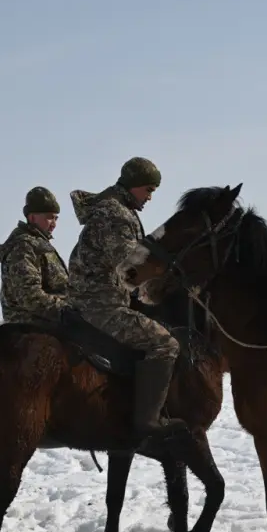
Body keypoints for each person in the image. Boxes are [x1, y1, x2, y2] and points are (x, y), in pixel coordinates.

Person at [66, 157, 189, 444]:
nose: (150, 196)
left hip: (98, 299)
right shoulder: (115, 214)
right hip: (99, 306)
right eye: (148, 189)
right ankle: (148, 420)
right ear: (133, 185)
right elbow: (130, 265)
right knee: (164, 343)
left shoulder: (117, 210)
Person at [0, 186, 69, 328]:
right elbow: (29, 295)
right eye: (49, 218)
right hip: (32, 327)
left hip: (51, 323)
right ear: (32, 217)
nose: (54, 224)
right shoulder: (23, 247)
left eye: (56, 218)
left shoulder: (39, 245)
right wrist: (67, 311)